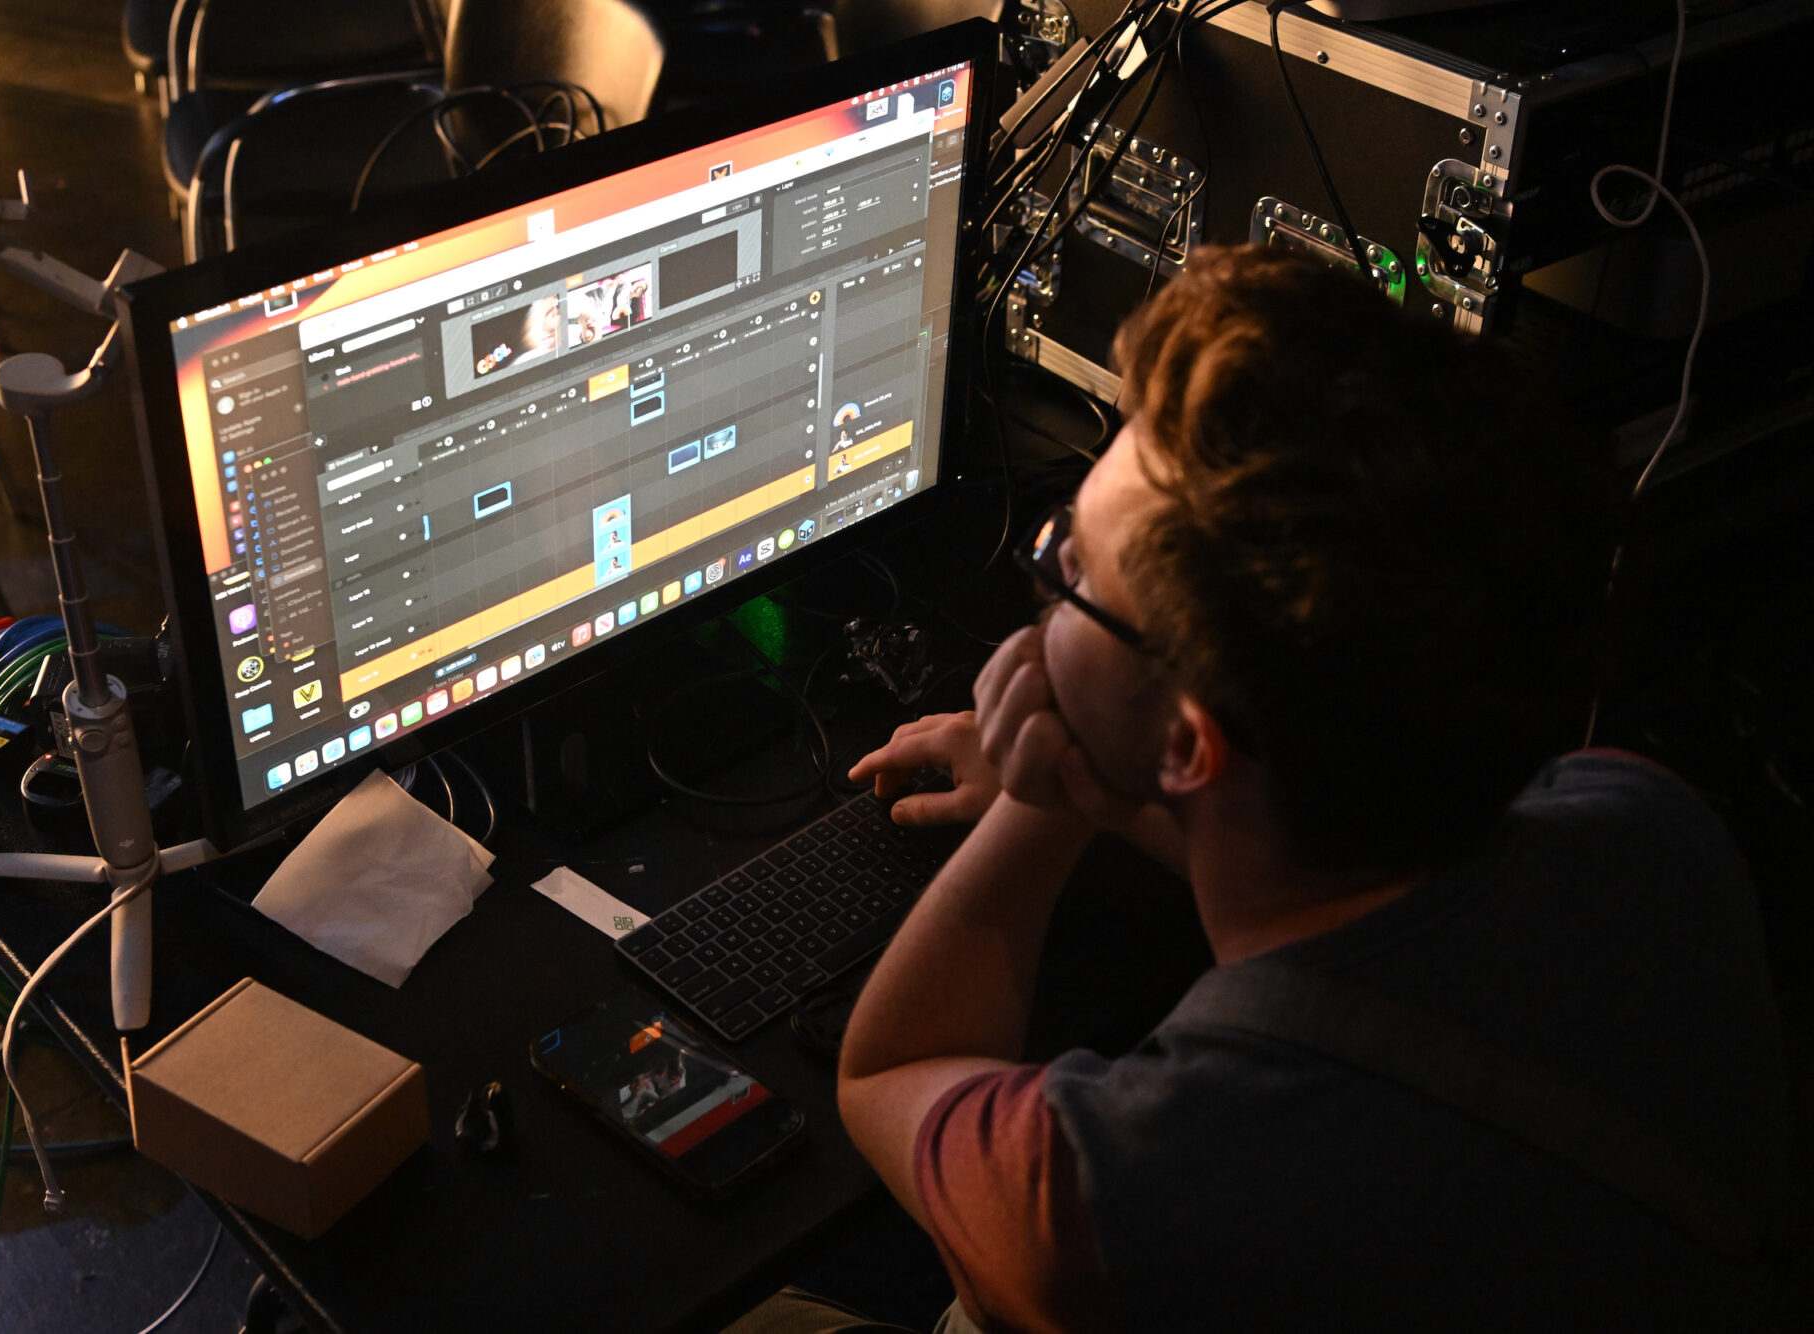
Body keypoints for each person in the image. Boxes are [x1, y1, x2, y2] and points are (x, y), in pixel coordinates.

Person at [737, 247, 1792, 1332]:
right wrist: (1120, 767)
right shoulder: (1647, 823)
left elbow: (890, 1072)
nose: (1042, 586)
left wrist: (1041, 794)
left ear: (1192, 744)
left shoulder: (1127, 1187)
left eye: (1072, 573)